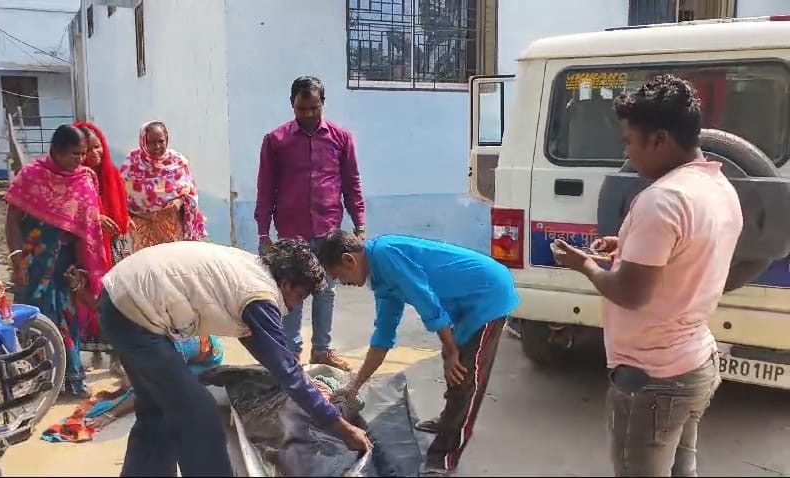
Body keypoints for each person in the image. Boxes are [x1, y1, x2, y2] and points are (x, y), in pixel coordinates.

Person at [552, 74, 743, 477]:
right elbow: (686, 252)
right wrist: (626, 246)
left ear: (658, 139)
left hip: (654, 379)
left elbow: (631, 293)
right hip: (695, 362)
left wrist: (585, 265)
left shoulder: (662, 199)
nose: (627, 153)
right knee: (682, 470)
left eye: (629, 142)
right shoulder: (717, 185)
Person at [98, 239, 372, 477]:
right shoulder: (260, 294)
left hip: (121, 298)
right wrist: (341, 427)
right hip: (133, 311)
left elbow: (264, 347)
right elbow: (286, 371)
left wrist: (284, 362)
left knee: (157, 409)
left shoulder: (251, 272)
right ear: (286, 283)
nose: (296, 306)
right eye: (299, 297)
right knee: (198, 413)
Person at [317, 230, 521, 477]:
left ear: (349, 259)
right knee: (455, 365)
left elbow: (427, 302)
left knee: (467, 376)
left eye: (340, 276)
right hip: (463, 303)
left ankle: (445, 456)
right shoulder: (380, 278)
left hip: (488, 294)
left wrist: (451, 350)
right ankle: (448, 420)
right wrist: (354, 386)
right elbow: (383, 337)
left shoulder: (385, 255)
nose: (343, 282)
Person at [255, 75, 366, 371]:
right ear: (292, 105)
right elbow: (265, 189)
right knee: (292, 293)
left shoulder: (341, 138)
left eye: (314, 108)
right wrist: (264, 233)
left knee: (326, 291)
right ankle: (290, 353)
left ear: (323, 104)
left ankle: (322, 350)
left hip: (329, 232)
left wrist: (359, 225)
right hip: (292, 236)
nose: (307, 115)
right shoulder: (275, 141)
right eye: (301, 109)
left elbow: (352, 184)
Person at [4, 124, 106, 398]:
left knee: (69, 318)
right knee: (36, 316)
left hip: (68, 261)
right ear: (56, 151)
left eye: (83, 153)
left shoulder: (85, 178)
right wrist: (17, 259)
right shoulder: (32, 176)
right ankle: (39, 380)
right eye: (75, 154)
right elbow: (13, 218)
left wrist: (86, 266)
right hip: (34, 257)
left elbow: (87, 222)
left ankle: (71, 378)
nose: (80, 159)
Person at [42, 335, 225, 443]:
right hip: (176, 354)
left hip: (206, 359)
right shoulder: (141, 340)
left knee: (166, 390)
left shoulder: (172, 352)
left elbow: (148, 390)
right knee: (137, 383)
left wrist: (111, 414)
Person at [74, 121, 131, 373]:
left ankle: (117, 356)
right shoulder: (75, 180)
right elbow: (67, 212)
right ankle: (93, 354)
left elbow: (121, 211)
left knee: (117, 300)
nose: (94, 153)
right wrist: (94, 218)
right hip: (86, 251)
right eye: (87, 149)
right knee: (88, 299)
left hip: (114, 249)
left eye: (98, 147)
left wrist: (123, 222)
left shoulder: (111, 175)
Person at [120, 120, 206, 250]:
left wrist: (179, 201)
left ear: (167, 139)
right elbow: (121, 194)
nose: (157, 146)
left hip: (171, 224)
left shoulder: (177, 162)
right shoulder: (132, 163)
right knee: (146, 261)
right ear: (143, 141)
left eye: (161, 141)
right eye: (151, 142)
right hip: (142, 225)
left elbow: (189, 191)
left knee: (173, 259)